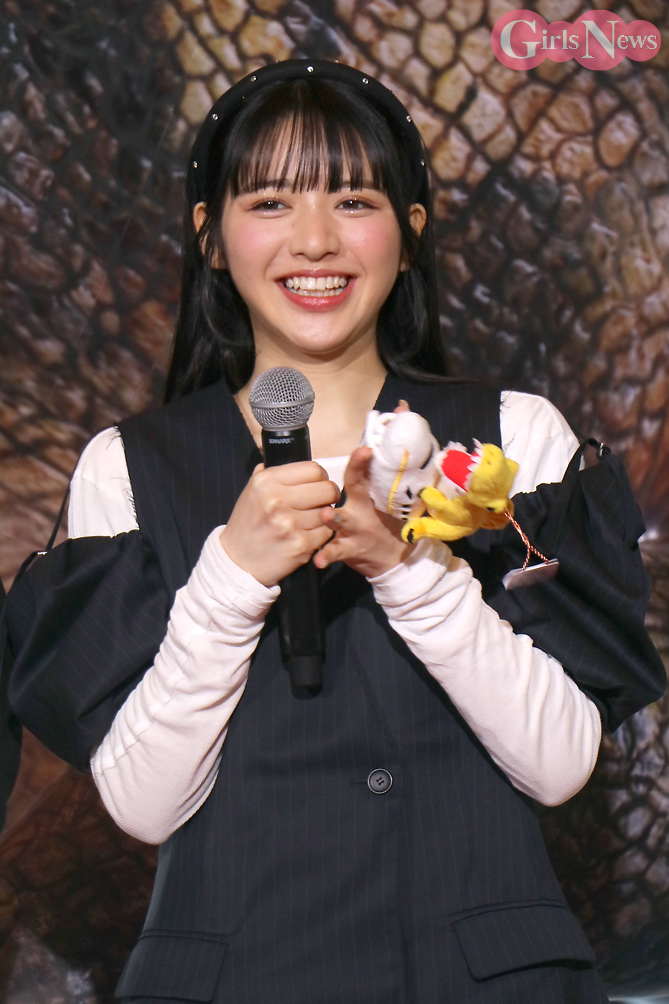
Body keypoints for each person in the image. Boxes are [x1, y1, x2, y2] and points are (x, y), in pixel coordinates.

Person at [6, 59, 665, 1003]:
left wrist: (409, 568)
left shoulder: (513, 434)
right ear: (211, 237)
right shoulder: (130, 466)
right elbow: (143, 806)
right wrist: (233, 574)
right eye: (270, 202)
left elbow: (560, 764)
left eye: (354, 200)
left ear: (410, 228)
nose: (314, 240)